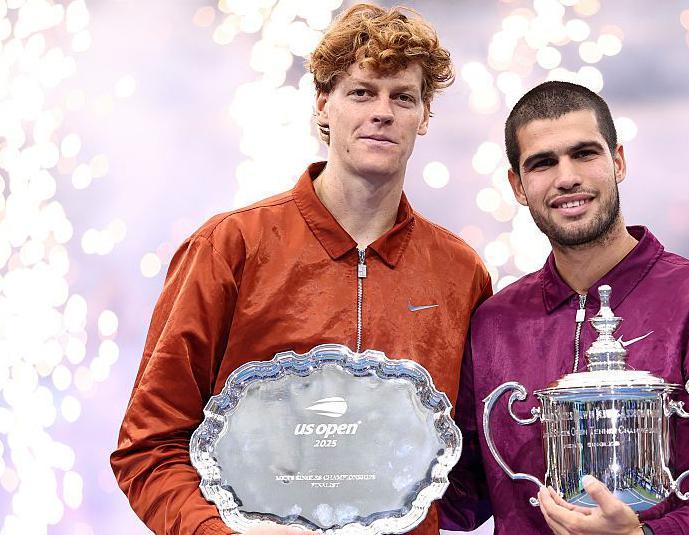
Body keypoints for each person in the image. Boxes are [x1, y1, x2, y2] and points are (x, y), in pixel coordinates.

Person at [110, 5, 491, 535]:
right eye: (361, 92)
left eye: (403, 97)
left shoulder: (460, 271)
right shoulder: (229, 246)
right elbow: (149, 446)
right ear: (322, 105)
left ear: (424, 116)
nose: (382, 112)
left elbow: (466, 468)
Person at [438, 81, 689, 534]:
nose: (567, 177)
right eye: (543, 163)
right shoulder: (495, 323)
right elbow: (462, 498)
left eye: (584, 154)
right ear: (518, 185)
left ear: (618, 162)